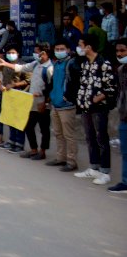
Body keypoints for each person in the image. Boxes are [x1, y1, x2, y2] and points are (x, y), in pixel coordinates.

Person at [0, 43, 54, 160]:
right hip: (31, 101)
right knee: (28, 126)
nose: (36, 54)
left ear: (45, 53)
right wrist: (5, 63)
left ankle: (42, 151)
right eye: (36, 52)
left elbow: (51, 87)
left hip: (42, 102)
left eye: (38, 52)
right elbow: (21, 67)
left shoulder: (49, 68)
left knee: (44, 129)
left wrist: (46, 102)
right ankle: (33, 149)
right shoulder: (36, 64)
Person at [74, 34, 116, 186]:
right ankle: (94, 167)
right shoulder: (85, 63)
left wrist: (97, 98)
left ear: (88, 46)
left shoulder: (103, 63)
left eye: (80, 45)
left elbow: (111, 87)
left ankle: (105, 171)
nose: (78, 48)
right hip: (86, 107)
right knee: (90, 137)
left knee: (101, 139)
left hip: (99, 108)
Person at [46, 40, 81, 172]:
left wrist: (68, 97)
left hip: (67, 105)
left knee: (69, 135)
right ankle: (61, 158)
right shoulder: (56, 64)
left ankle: (72, 161)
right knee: (58, 133)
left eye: (62, 49)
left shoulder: (72, 64)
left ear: (68, 50)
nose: (59, 51)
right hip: (55, 103)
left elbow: (75, 83)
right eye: (57, 49)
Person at [0, 46, 30, 153]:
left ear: (18, 53)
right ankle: (12, 141)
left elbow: (28, 80)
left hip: (20, 94)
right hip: (8, 95)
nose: (11, 54)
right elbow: (4, 79)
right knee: (10, 118)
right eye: (9, 52)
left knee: (19, 120)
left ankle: (19, 144)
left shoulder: (23, 65)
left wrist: (15, 84)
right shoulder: (5, 65)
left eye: (13, 52)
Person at [108, 38, 127, 193]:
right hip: (124, 116)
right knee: (125, 152)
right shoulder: (121, 70)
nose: (120, 54)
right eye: (118, 51)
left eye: (123, 51)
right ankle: (125, 181)